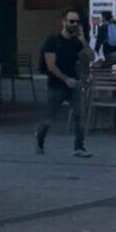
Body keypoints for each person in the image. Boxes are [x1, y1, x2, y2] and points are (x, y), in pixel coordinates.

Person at [38, 10, 89, 158]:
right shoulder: (52, 41)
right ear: (63, 22)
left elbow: (91, 57)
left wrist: (83, 40)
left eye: (77, 22)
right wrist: (66, 79)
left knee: (79, 115)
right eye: (71, 21)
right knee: (49, 117)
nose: (74, 24)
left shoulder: (76, 43)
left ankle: (79, 146)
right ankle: (40, 137)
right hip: (57, 84)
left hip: (74, 84)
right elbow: (51, 66)